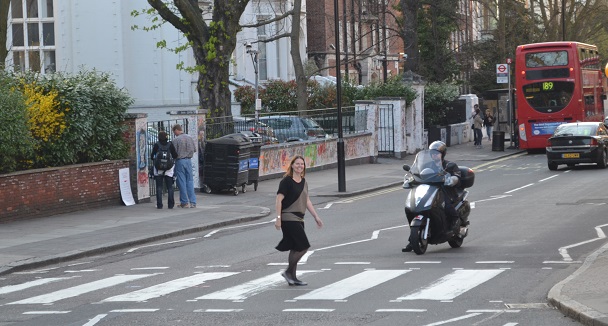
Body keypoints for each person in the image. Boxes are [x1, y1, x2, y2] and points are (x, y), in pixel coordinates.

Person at [403, 141, 461, 252]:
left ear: (442, 154)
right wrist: (410, 180)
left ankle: (455, 222)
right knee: (411, 208)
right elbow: (418, 174)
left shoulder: (450, 165)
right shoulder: (426, 165)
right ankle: (412, 240)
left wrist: (453, 179)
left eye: (437, 153)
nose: (434, 156)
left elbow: (457, 176)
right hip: (428, 190)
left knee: (447, 206)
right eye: (432, 154)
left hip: (445, 191)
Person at [274, 155, 323, 286]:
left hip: (299, 218)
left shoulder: (303, 182)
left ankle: (293, 278)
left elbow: (307, 200)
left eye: (302, 164)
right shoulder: (286, 181)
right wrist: (278, 218)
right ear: (292, 165)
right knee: (304, 246)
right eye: (297, 164)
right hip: (289, 217)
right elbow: (279, 200)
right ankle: (288, 272)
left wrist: (316, 216)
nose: (300, 166)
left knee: (295, 247)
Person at [172, 124, 198, 208]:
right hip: (188, 161)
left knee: (181, 182)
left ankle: (184, 202)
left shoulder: (176, 140)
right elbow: (194, 149)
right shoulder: (189, 138)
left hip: (180, 161)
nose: (174, 133)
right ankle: (193, 202)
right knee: (190, 181)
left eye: (174, 132)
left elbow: (173, 153)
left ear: (176, 130)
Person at [151, 131, 178, 209]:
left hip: (158, 168)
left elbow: (152, 155)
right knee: (170, 187)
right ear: (166, 137)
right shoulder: (170, 144)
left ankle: (159, 205)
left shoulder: (157, 144)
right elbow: (175, 155)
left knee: (159, 187)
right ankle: (170, 205)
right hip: (169, 168)